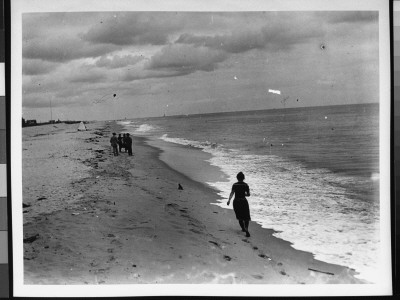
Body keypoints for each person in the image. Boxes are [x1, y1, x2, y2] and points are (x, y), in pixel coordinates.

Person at [227, 172, 251, 237]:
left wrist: (229, 200)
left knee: (239, 216)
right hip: (243, 201)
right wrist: (244, 194)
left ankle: (243, 228)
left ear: (237, 178)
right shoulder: (246, 185)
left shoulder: (235, 185)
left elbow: (232, 193)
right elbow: (248, 194)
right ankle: (246, 228)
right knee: (246, 216)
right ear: (243, 178)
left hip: (236, 201)